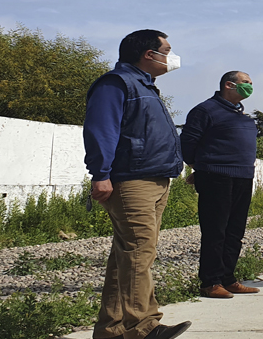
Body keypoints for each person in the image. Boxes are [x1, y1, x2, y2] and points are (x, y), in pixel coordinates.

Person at [83, 29, 191, 339]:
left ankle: (112, 330)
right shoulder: (116, 84)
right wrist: (100, 174)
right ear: (148, 54)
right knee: (138, 253)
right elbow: (100, 130)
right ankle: (144, 327)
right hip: (133, 180)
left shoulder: (145, 87)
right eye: (167, 50)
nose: (171, 57)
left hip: (155, 179)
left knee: (125, 256)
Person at [180, 71, 260, 299]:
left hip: (243, 177)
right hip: (216, 177)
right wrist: (200, 167)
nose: (250, 88)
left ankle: (228, 278)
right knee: (216, 231)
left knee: (235, 231)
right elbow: (188, 141)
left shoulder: (242, 116)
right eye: (246, 83)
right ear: (229, 84)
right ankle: (210, 282)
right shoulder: (205, 110)